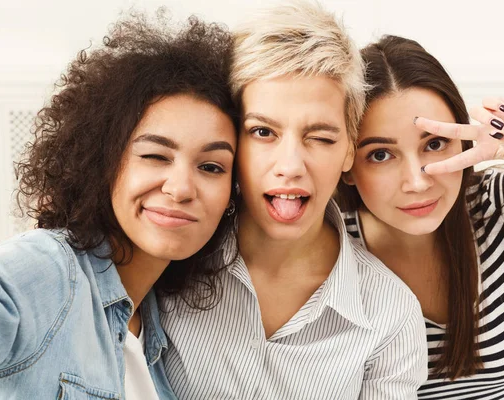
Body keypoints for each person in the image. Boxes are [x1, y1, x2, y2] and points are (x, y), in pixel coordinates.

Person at [0, 11, 238, 400]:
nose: (181, 187)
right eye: (155, 156)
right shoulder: (48, 268)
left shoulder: (160, 326)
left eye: (211, 166)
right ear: (103, 161)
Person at [159, 1, 428, 399]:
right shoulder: (169, 257)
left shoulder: (389, 316)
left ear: (349, 152)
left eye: (320, 137)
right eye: (263, 132)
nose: (290, 166)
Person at [336, 34, 504, 398]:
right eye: (381, 155)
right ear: (347, 165)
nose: (417, 182)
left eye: (434, 144)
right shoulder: (329, 246)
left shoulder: (497, 202)